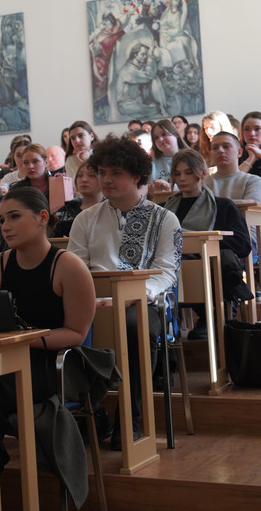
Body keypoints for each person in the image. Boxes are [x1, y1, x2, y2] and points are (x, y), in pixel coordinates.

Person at [0, 187, 96, 495]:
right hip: (2, 359)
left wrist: (21, 340)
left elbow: (76, 333)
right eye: (2, 220)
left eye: (14, 217)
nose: (6, 226)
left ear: (42, 218)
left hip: (49, 362)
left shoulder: (68, 266)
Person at [67, 136, 181, 449]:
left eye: (115, 173)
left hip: (145, 304)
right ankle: (87, 413)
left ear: (136, 177)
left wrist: (136, 295)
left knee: (133, 325)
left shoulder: (165, 219)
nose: (106, 179)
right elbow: (75, 269)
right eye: (102, 172)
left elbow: (167, 272)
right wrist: (89, 300)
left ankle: (131, 418)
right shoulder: (85, 219)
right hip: (93, 302)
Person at [164, 149, 252, 337]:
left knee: (200, 260)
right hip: (174, 264)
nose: (182, 178)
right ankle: (178, 319)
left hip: (209, 265)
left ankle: (213, 313)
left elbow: (243, 245)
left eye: (188, 172)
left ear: (202, 173)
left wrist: (206, 241)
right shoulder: (166, 210)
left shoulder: (222, 206)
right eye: (177, 174)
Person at [51, 160, 103, 237]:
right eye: (80, 175)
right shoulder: (64, 211)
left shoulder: (112, 209)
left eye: (91, 175)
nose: (84, 179)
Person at [205, 132, 261, 202]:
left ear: (239, 152)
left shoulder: (253, 181)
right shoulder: (203, 183)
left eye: (226, 146)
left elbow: (251, 206)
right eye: (215, 148)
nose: (220, 150)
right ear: (211, 154)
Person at [149, 118, 188, 189]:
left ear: (175, 134)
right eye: (156, 137)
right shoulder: (151, 163)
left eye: (164, 134)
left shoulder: (191, 158)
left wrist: (170, 187)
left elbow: (198, 186)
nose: (160, 139)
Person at [238, 111, 261, 177]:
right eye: (247, 129)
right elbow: (234, 179)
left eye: (257, 129)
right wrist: (251, 158)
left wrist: (259, 154)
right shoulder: (237, 152)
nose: (252, 134)